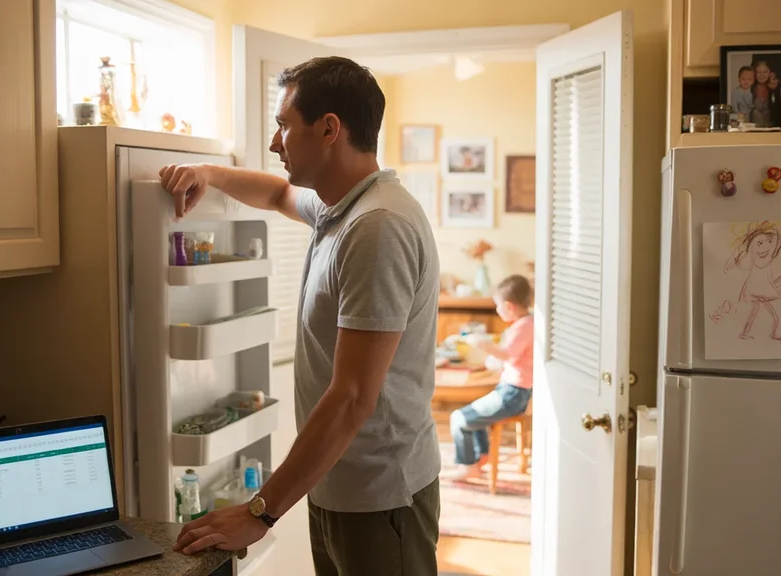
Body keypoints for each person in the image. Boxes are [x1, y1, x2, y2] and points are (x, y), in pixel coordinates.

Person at [158, 56, 442, 576]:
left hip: (379, 497)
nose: (274, 142)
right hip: (336, 482)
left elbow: (354, 396)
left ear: (329, 128)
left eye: (283, 125)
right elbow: (277, 192)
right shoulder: (339, 208)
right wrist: (208, 173)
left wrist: (259, 511)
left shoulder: (378, 228)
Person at [449, 275, 534, 480]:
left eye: (498, 306)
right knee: (473, 413)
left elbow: (506, 354)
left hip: (513, 394)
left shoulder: (523, 326)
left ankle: (468, 465)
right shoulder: (529, 322)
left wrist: (481, 343)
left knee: (459, 418)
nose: (497, 310)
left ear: (509, 306)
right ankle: (482, 456)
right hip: (513, 391)